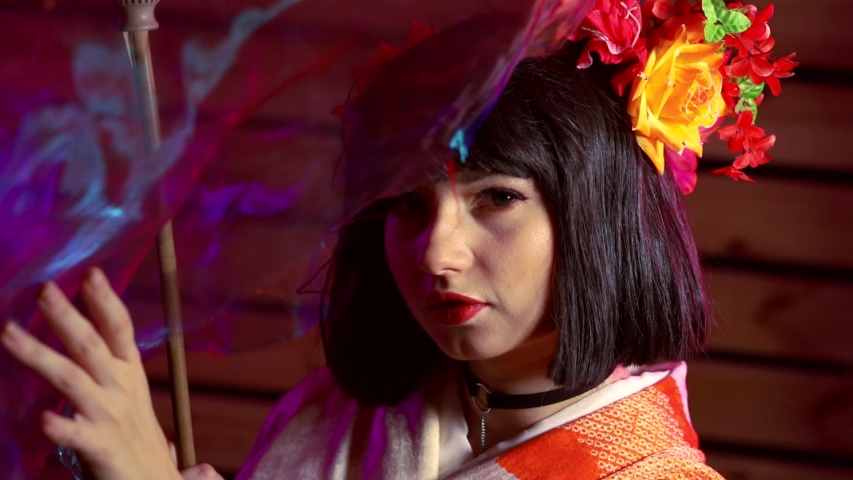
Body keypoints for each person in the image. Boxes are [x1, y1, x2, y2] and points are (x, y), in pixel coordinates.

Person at [1, 0, 794, 478]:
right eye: (408, 205)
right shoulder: (345, 414)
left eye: (496, 198)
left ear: (599, 215)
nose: (435, 252)